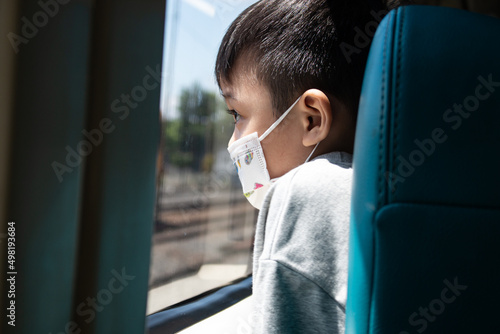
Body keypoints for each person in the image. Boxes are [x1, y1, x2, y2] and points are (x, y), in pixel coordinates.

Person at [215, 0, 391, 332]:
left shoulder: (305, 193)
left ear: (312, 120)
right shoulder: (387, 190)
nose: (231, 142)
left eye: (237, 114)